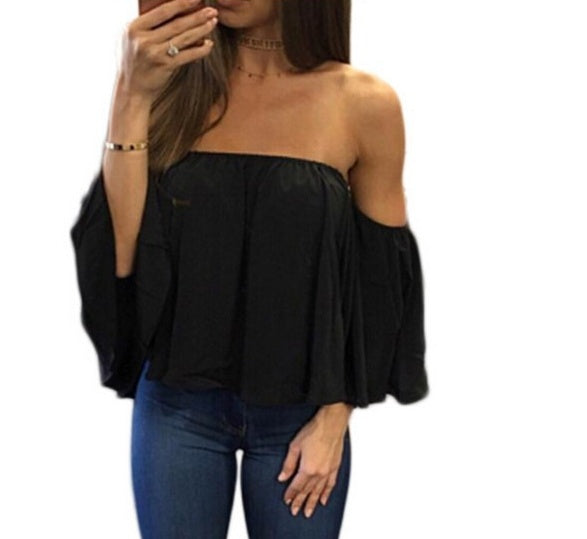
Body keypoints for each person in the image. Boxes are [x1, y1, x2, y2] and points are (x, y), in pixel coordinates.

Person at [69, 0, 430, 537]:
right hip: (176, 405)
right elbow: (121, 257)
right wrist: (131, 92)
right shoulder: (172, 87)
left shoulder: (362, 103)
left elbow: (380, 283)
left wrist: (335, 418)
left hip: (303, 411)